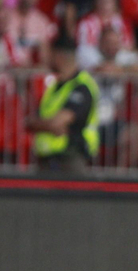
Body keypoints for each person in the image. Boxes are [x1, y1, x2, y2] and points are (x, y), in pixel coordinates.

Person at [27, 35, 100, 173]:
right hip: (45, 161)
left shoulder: (82, 86)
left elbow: (56, 122)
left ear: (58, 56)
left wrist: (40, 124)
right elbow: (30, 122)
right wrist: (47, 125)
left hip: (70, 160)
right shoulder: (53, 87)